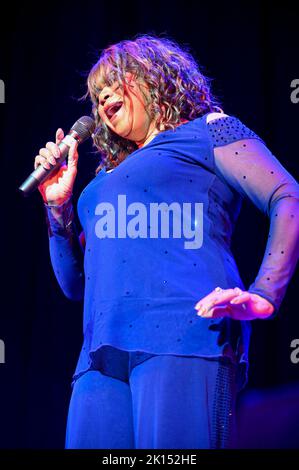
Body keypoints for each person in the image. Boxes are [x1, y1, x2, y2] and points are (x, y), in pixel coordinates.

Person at [34, 35, 299, 449]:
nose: (104, 97)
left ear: (158, 80)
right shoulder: (104, 176)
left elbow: (287, 195)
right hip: (100, 355)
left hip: (186, 332)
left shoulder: (208, 131)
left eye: (117, 81)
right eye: (97, 93)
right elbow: (75, 285)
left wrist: (266, 291)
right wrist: (58, 209)